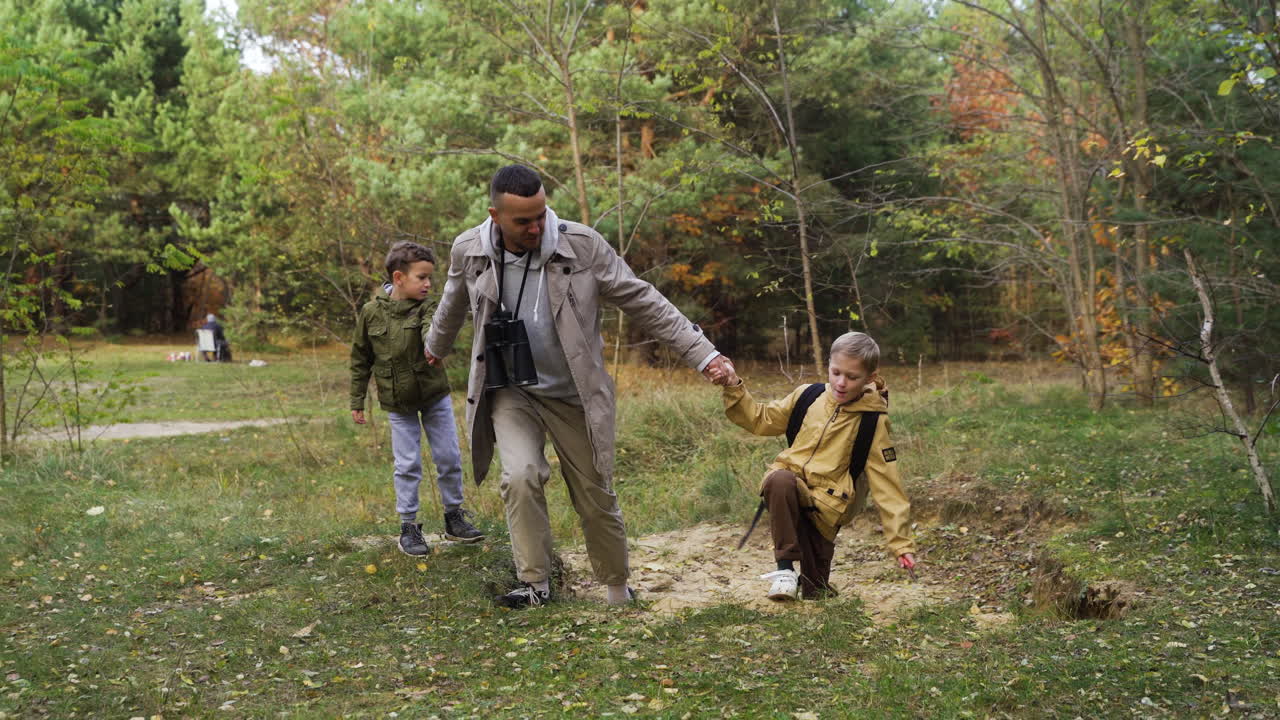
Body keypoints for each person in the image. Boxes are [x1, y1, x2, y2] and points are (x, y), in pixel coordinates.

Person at [425, 164, 733, 608]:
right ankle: (535, 585)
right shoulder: (469, 249)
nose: (535, 227)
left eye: (540, 215)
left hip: (574, 392)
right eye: (523, 221)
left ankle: (615, 587)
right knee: (520, 476)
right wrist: (434, 346)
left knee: (594, 493)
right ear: (495, 215)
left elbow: (642, 298)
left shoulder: (582, 245)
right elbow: (453, 299)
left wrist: (703, 354)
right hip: (512, 389)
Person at [720, 331, 916, 601]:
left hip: (828, 509)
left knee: (816, 592)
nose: (841, 382)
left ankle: (814, 580)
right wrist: (733, 385)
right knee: (780, 480)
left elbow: (888, 486)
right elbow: (760, 418)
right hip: (792, 489)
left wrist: (901, 544)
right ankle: (785, 571)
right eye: (836, 372)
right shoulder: (809, 396)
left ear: (870, 378)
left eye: (852, 377)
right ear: (829, 365)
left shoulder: (873, 422)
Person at [350, 241, 485, 556]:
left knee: (449, 457)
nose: (427, 284)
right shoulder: (371, 313)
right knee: (407, 463)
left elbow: (432, 329)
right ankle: (408, 527)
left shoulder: (428, 306)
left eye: (430, 278)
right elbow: (360, 358)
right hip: (398, 403)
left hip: (433, 397)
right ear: (398, 278)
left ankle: (454, 517)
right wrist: (357, 400)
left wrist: (433, 346)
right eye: (421, 277)